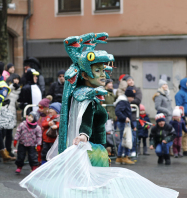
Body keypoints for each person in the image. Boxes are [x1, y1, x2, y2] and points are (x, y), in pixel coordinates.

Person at [19, 33, 179, 198]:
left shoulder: (92, 96)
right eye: (97, 70)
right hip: (91, 152)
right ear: (85, 75)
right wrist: (83, 135)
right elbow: (86, 120)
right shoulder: (87, 97)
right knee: (93, 189)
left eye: (103, 69)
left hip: (95, 150)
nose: (103, 74)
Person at [0, 74, 21, 158]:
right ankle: (1, 151)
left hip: (12, 113)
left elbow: (16, 100)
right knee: (2, 133)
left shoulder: (18, 89)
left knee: (9, 133)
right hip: (5, 112)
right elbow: (5, 96)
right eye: (15, 79)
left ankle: (9, 150)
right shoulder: (7, 87)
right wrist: (12, 86)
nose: (16, 80)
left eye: (17, 79)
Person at [115, 86, 136, 165]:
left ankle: (120, 157)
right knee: (126, 139)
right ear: (128, 96)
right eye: (132, 97)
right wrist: (124, 118)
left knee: (124, 139)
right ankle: (124, 156)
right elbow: (118, 111)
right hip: (123, 123)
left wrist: (133, 126)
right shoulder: (123, 102)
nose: (133, 99)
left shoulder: (124, 101)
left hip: (125, 123)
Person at [123, 74, 142, 157]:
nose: (130, 82)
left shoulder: (137, 90)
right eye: (129, 80)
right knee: (124, 134)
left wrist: (129, 100)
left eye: (132, 80)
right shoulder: (124, 89)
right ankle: (125, 151)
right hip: (124, 116)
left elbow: (138, 100)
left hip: (134, 116)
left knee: (134, 135)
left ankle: (134, 150)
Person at [37, 95, 53, 164]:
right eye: (38, 107)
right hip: (39, 135)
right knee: (39, 149)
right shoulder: (38, 115)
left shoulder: (48, 116)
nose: (39, 109)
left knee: (45, 149)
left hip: (45, 136)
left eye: (41, 107)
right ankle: (38, 160)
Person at [175, 77, 187, 156]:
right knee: (185, 133)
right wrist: (182, 117)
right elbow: (179, 106)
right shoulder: (179, 94)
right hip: (184, 116)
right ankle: (185, 149)